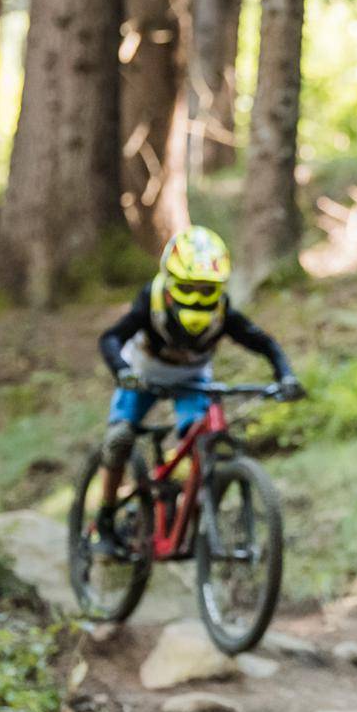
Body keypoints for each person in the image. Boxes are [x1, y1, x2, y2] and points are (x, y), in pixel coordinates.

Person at [94, 226, 303, 556]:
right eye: (188, 288)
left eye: (206, 290)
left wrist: (286, 376)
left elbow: (264, 343)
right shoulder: (150, 301)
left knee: (202, 441)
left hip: (192, 381)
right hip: (141, 376)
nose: (196, 298)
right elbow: (111, 338)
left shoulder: (222, 312)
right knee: (119, 439)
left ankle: (185, 508)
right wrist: (122, 370)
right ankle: (105, 519)